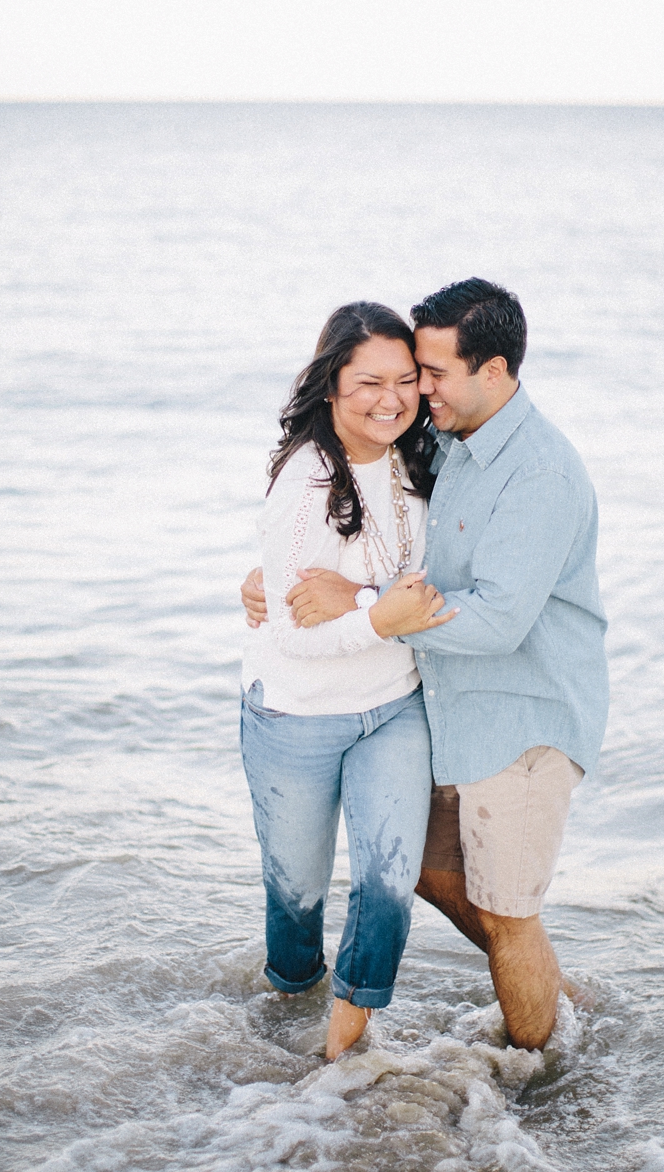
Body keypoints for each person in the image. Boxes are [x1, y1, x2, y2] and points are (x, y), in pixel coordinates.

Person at [242, 279, 609, 1051]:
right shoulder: (447, 442)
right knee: (428, 873)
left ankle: (537, 1078)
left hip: (522, 720)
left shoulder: (538, 472)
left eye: (430, 373)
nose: (417, 391)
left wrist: (363, 603)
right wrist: (272, 579)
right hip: (451, 709)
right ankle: (550, 979)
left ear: (496, 372)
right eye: (411, 371)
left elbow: (499, 620)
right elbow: (359, 508)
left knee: (508, 913)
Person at [240, 301, 456, 1061]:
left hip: (394, 709)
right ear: (331, 383)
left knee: (387, 885)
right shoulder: (303, 483)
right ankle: (282, 1018)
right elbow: (294, 634)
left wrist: (365, 605)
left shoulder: (424, 456)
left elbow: (434, 583)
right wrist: (381, 618)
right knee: (296, 902)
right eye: (369, 381)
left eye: (406, 380)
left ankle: (336, 1061)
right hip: (295, 717)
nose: (390, 398)